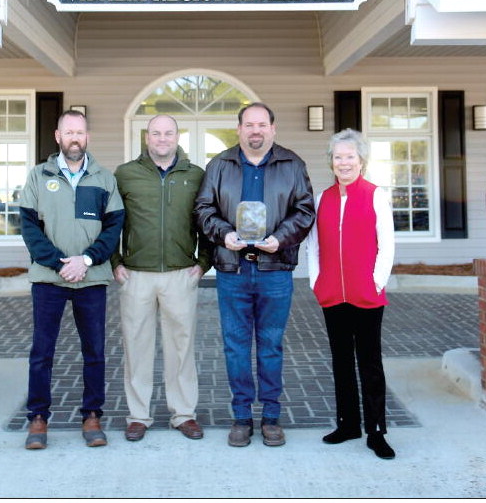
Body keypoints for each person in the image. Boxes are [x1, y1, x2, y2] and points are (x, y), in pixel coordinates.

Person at [194, 102, 315, 447]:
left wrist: (281, 239)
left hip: (274, 270)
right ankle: (242, 416)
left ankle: (272, 416)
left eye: (262, 124)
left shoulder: (292, 164)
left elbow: (305, 210)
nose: (256, 131)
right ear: (239, 129)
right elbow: (203, 209)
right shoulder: (219, 165)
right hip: (232, 269)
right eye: (249, 125)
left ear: (273, 129)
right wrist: (223, 234)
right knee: (235, 346)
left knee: (271, 345)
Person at [19, 109, 124, 450]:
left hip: (91, 278)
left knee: (94, 351)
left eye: (80, 132)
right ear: (57, 136)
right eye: (69, 132)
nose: (74, 138)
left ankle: (92, 415)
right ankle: (38, 418)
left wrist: (87, 260)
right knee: (42, 352)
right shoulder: (38, 176)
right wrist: (60, 264)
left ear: (87, 137)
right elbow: (29, 227)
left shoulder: (104, 178)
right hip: (49, 278)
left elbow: (113, 228)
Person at [112, 114, 211, 442]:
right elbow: (110, 221)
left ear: (177, 136)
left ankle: (183, 414)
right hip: (136, 275)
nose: (162, 139)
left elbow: (208, 219)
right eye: (156, 133)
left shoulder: (195, 175)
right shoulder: (126, 175)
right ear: (147, 137)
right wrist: (115, 262)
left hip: (181, 274)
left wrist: (204, 262)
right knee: (136, 347)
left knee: (181, 347)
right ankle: (138, 415)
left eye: (168, 133)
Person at [306, 128, 396, 460]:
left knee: (370, 362)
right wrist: (317, 280)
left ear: (361, 160)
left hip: (366, 294)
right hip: (332, 292)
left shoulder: (375, 195)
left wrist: (375, 281)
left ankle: (376, 431)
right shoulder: (322, 198)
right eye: (338, 157)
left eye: (350, 157)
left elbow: (386, 245)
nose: (344, 162)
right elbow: (313, 246)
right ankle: (348, 424)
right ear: (331, 161)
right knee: (341, 361)